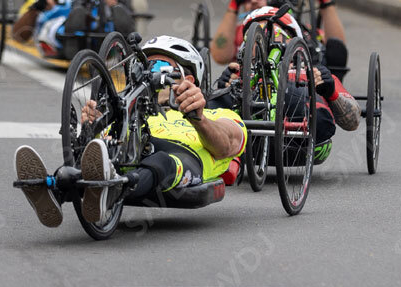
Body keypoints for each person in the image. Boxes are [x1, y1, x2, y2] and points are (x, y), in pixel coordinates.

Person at [13, 36, 247, 227]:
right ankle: (54, 189)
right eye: (142, 67)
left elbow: (228, 144)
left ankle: (113, 188)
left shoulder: (217, 115)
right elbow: (96, 152)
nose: (148, 74)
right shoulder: (126, 110)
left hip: (180, 159)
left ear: (188, 78)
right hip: (126, 151)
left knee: (163, 161)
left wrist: (200, 119)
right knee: (98, 149)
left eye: (157, 67)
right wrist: (92, 126)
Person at [212, 6, 360, 182]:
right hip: (246, 145)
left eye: (273, 33)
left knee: (315, 110)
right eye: (260, 34)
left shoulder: (314, 72)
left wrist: (330, 91)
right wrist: (224, 90)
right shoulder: (238, 74)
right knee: (212, 106)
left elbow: (353, 122)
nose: (266, 40)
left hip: (303, 143)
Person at [211, 0, 349, 80]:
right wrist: (235, 2)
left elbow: (338, 48)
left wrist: (326, 0)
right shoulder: (241, 31)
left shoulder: (300, 29)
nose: (253, 0)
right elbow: (220, 56)